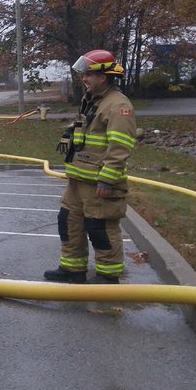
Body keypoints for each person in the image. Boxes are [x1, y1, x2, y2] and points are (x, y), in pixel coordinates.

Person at [44, 50, 138, 284]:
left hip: (98, 181)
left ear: (102, 77)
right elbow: (89, 128)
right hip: (79, 179)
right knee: (69, 222)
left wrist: (107, 180)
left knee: (100, 228)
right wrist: (70, 132)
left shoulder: (118, 105)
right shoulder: (94, 99)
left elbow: (120, 147)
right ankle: (72, 269)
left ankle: (108, 275)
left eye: (87, 74)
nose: (83, 78)